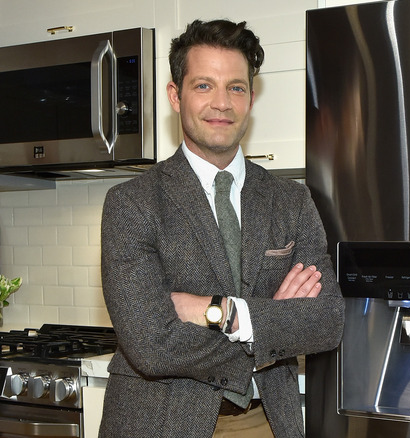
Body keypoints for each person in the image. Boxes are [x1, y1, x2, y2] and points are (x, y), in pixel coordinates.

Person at [98, 19, 345, 438]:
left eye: (236, 87)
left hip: (265, 422)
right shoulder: (131, 204)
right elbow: (152, 344)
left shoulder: (291, 199)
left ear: (251, 97)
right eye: (203, 86)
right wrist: (272, 331)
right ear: (175, 96)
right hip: (162, 423)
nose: (222, 103)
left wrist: (224, 313)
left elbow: (326, 319)